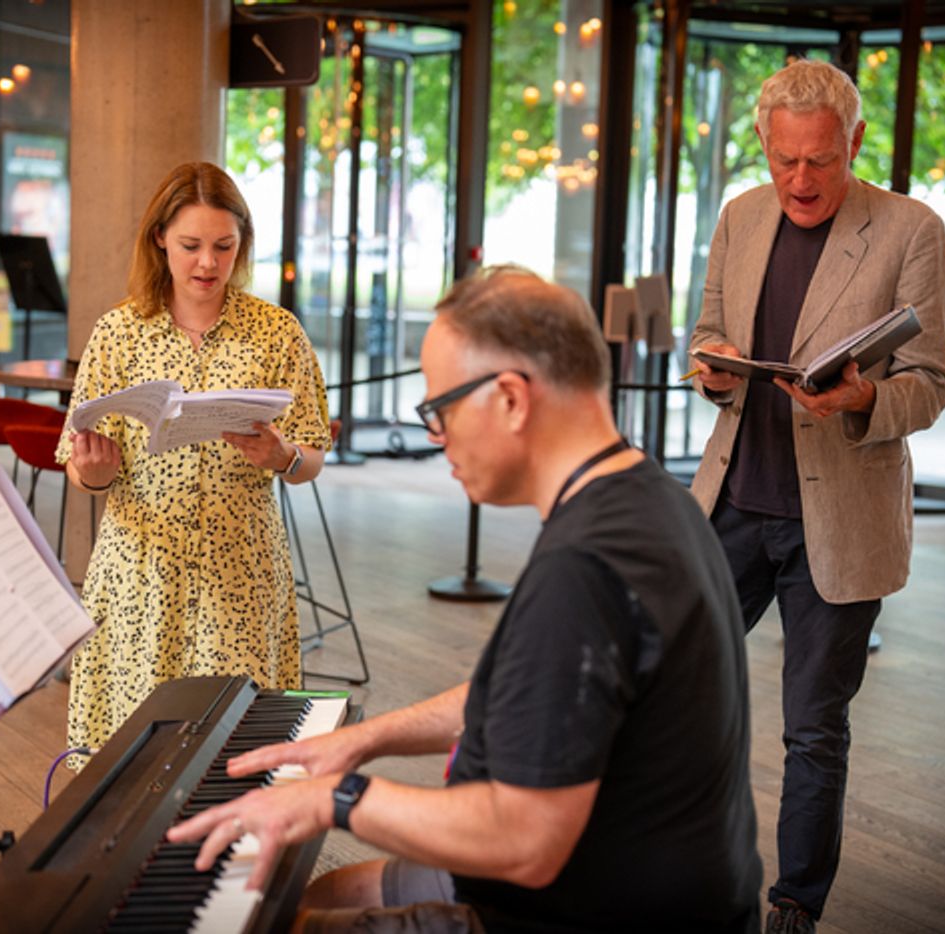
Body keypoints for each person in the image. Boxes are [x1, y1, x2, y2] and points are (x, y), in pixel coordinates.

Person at [168, 267, 763, 934]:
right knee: (320, 893)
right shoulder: (649, 495)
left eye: (440, 409)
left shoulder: (584, 568)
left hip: (583, 908)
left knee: (280, 922)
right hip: (666, 890)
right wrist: (365, 741)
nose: (435, 435)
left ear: (510, 399)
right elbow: (533, 690)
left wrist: (338, 798)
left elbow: (524, 841)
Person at [687, 60, 945, 933]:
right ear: (763, 143)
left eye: (822, 162)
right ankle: (675, 864)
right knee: (677, 689)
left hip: (839, 522)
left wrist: (862, 397)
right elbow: (709, 334)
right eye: (784, 160)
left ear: (856, 143)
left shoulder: (912, 229)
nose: (800, 181)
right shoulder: (740, 214)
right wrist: (715, 374)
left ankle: (795, 904)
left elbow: (930, 381)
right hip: (732, 505)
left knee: (814, 727)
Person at [56, 162, 332, 761]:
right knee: (131, 751)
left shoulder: (278, 333)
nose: (207, 263)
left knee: (232, 744)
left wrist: (284, 457)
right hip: (139, 571)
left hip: (241, 568)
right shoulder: (118, 333)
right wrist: (95, 470)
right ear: (160, 239)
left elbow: (313, 454)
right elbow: (79, 465)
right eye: (191, 245)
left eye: (223, 247)